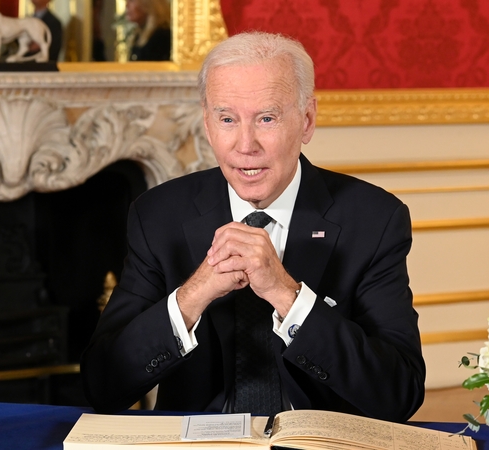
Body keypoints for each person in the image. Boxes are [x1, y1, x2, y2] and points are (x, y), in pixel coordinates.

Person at [81, 32, 426, 422]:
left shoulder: (373, 219)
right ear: (208, 125)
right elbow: (103, 387)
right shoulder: (158, 215)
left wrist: (288, 296)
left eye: (267, 118)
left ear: (307, 121)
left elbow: (400, 393)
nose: (246, 145)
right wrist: (193, 295)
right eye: (227, 119)